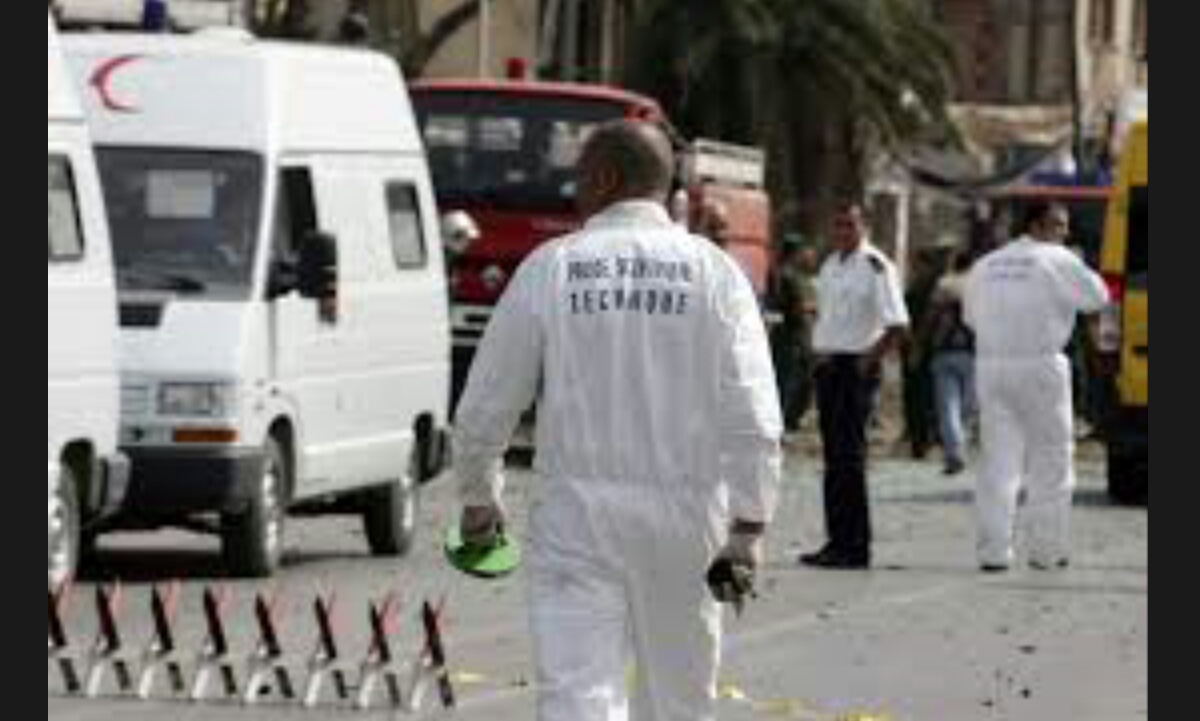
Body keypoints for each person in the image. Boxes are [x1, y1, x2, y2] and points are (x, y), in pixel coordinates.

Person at [452, 119, 784, 721]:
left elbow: (487, 404)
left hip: (577, 519)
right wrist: (749, 527)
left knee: (578, 697)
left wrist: (480, 498)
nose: (574, 189)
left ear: (605, 177)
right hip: (688, 520)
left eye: (579, 175)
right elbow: (755, 413)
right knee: (680, 698)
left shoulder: (552, 267)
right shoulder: (715, 274)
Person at [964, 201, 1109, 573]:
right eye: (1060, 225)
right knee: (1051, 458)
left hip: (992, 365)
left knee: (998, 460)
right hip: (1040, 363)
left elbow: (971, 317)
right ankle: (1046, 550)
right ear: (1039, 226)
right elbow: (1099, 296)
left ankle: (993, 551)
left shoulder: (986, 264)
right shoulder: (1057, 259)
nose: (1065, 233)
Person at [800, 202, 910, 570]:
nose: (843, 231)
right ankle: (836, 541)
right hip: (830, 365)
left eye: (850, 225)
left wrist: (869, 360)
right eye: (838, 225)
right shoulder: (831, 264)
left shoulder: (876, 266)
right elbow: (826, 315)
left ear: (864, 226)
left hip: (855, 366)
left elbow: (896, 323)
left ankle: (855, 547)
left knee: (850, 458)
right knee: (833, 459)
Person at [925, 250, 977, 476]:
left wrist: (921, 343)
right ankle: (958, 448)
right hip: (974, 352)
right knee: (969, 407)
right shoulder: (980, 286)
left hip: (944, 350)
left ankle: (954, 453)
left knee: (948, 407)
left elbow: (931, 316)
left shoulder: (944, 284)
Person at [770, 234, 819, 434]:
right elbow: (794, 308)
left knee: (792, 381)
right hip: (792, 337)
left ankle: (786, 421)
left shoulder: (784, 273)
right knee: (789, 382)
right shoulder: (788, 275)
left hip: (791, 336)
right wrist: (811, 308)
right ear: (796, 252)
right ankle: (783, 423)